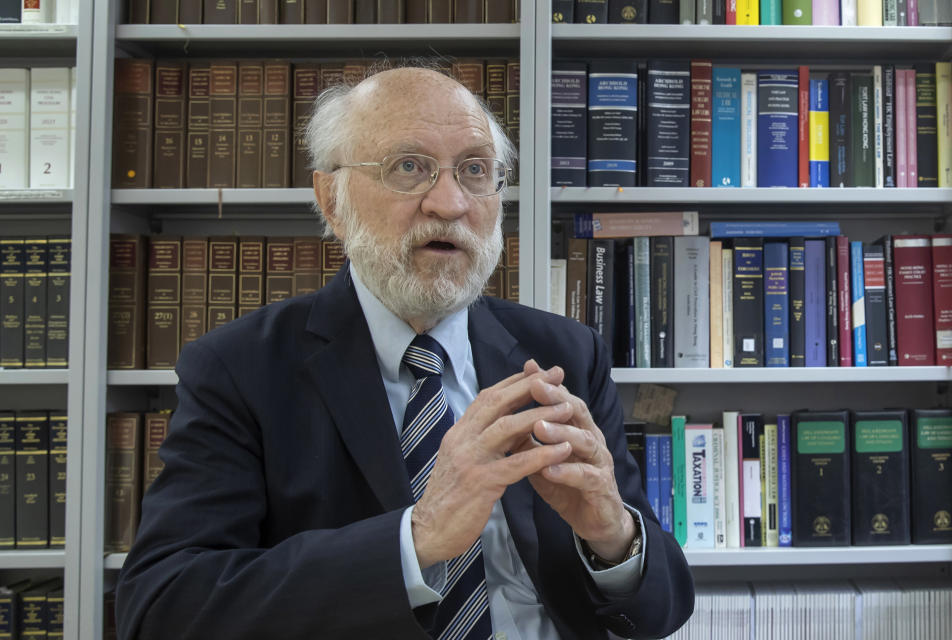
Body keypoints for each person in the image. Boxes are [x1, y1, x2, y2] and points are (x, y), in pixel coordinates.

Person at [115, 65, 694, 640]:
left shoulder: (565, 353)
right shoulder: (239, 368)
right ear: (332, 200)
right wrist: (417, 537)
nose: (449, 203)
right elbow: (163, 604)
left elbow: (661, 611)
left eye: (474, 170)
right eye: (409, 167)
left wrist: (613, 535)